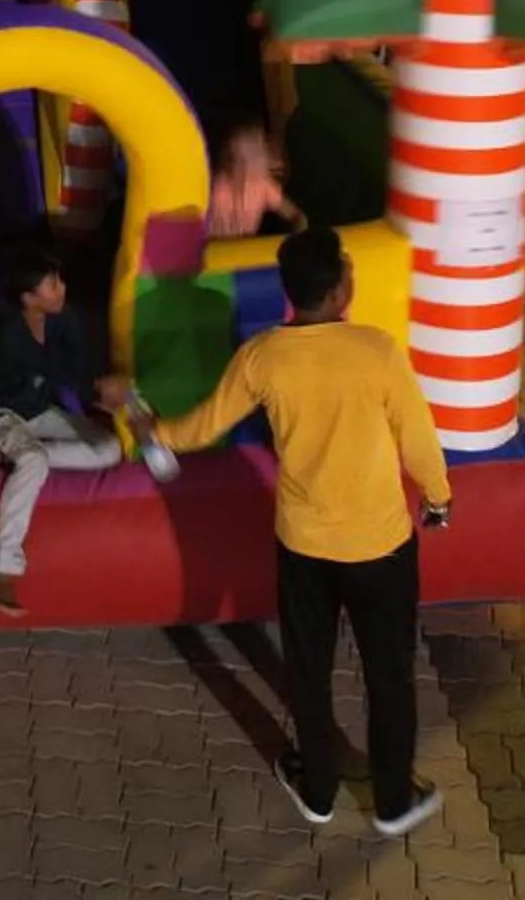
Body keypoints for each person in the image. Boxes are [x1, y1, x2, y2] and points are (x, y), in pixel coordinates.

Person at [124, 227, 452, 838]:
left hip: (304, 546)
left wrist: (150, 427)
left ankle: (318, 790)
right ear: (338, 289)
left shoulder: (264, 356)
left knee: (308, 666)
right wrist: (439, 499)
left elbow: (201, 426)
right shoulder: (376, 351)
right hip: (379, 545)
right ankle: (392, 802)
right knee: (389, 673)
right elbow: (418, 439)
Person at [0, 245, 124, 618]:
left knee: (109, 448)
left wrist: (101, 394)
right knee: (32, 460)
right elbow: (55, 370)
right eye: (51, 285)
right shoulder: (9, 332)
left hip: (38, 411)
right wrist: (99, 385)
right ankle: (3, 571)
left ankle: (3, 454)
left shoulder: (66, 318)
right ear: (28, 298)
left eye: (59, 280)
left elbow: (77, 368)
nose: (61, 289)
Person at [208, 122, 308, 240]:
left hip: (244, 253)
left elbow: (296, 216)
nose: (264, 154)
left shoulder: (263, 185)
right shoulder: (212, 184)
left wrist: (299, 240)